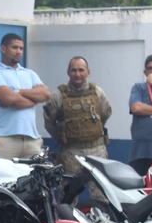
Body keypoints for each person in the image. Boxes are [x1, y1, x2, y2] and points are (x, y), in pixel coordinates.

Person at [43, 56, 112, 200]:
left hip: (97, 150)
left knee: (101, 194)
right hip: (71, 152)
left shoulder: (97, 92)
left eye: (81, 70)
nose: (77, 74)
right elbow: (49, 123)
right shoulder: (58, 96)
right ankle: (67, 222)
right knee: (68, 194)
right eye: (74, 70)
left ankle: (101, 221)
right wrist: (64, 138)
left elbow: (104, 115)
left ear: (88, 72)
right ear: (68, 72)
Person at [0, 33, 50, 159]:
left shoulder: (29, 74)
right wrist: (34, 99)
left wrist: (18, 92)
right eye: (14, 48)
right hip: (4, 138)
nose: (18, 52)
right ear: (3, 49)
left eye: (21, 48)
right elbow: (10, 100)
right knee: (3, 178)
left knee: (34, 177)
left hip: (31, 139)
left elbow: (46, 95)